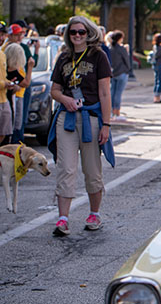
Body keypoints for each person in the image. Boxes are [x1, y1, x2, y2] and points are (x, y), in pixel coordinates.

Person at [48, 16, 113, 236]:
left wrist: (106, 124)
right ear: (68, 34)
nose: (77, 36)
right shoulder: (63, 57)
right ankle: (63, 218)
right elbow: (54, 89)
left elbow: (105, 92)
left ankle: (94, 213)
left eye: (81, 32)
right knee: (65, 168)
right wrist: (65, 100)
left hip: (91, 118)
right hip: (66, 118)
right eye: (73, 32)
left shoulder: (99, 56)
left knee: (92, 169)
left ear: (89, 33)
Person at [108, 31, 130, 121]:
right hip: (122, 72)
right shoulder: (121, 49)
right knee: (118, 93)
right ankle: (117, 112)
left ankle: (112, 112)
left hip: (113, 73)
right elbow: (126, 60)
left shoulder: (110, 48)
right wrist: (128, 69)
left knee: (112, 92)